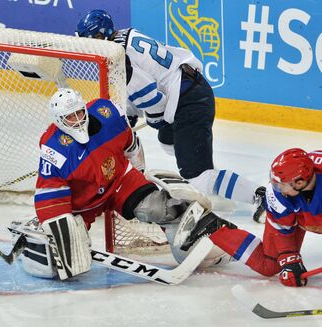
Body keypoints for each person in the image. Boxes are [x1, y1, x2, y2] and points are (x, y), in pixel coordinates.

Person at [75, 9, 266, 223]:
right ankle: (210, 177)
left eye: (96, 38)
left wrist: (148, 121)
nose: (92, 44)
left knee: (196, 176)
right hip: (186, 89)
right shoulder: (123, 37)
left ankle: (262, 196)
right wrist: (128, 116)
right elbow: (142, 87)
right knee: (168, 142)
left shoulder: (119, 59)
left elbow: (150, 99)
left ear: (105, 34)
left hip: (189, 99)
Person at [17, 88, 226, 280]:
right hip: (82, 204)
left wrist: (140, 176)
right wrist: (61, 229)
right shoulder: (55, 149)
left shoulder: (107, 114)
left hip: (119, 181)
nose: (77, 120)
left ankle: (206, 242)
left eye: (79, 113)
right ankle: (37, 231)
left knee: (159, 208)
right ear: (59, 121)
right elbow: (50, 195)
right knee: (58, 265)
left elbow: (131, 146)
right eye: (69, 117)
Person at [183, 148, 322, 287]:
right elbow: (281, 230)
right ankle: (212, 226)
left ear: (299, 183)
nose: (277, 188)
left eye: (282, 185)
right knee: (269, 265)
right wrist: (290, 261)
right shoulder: (279, 195)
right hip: (298, 214)